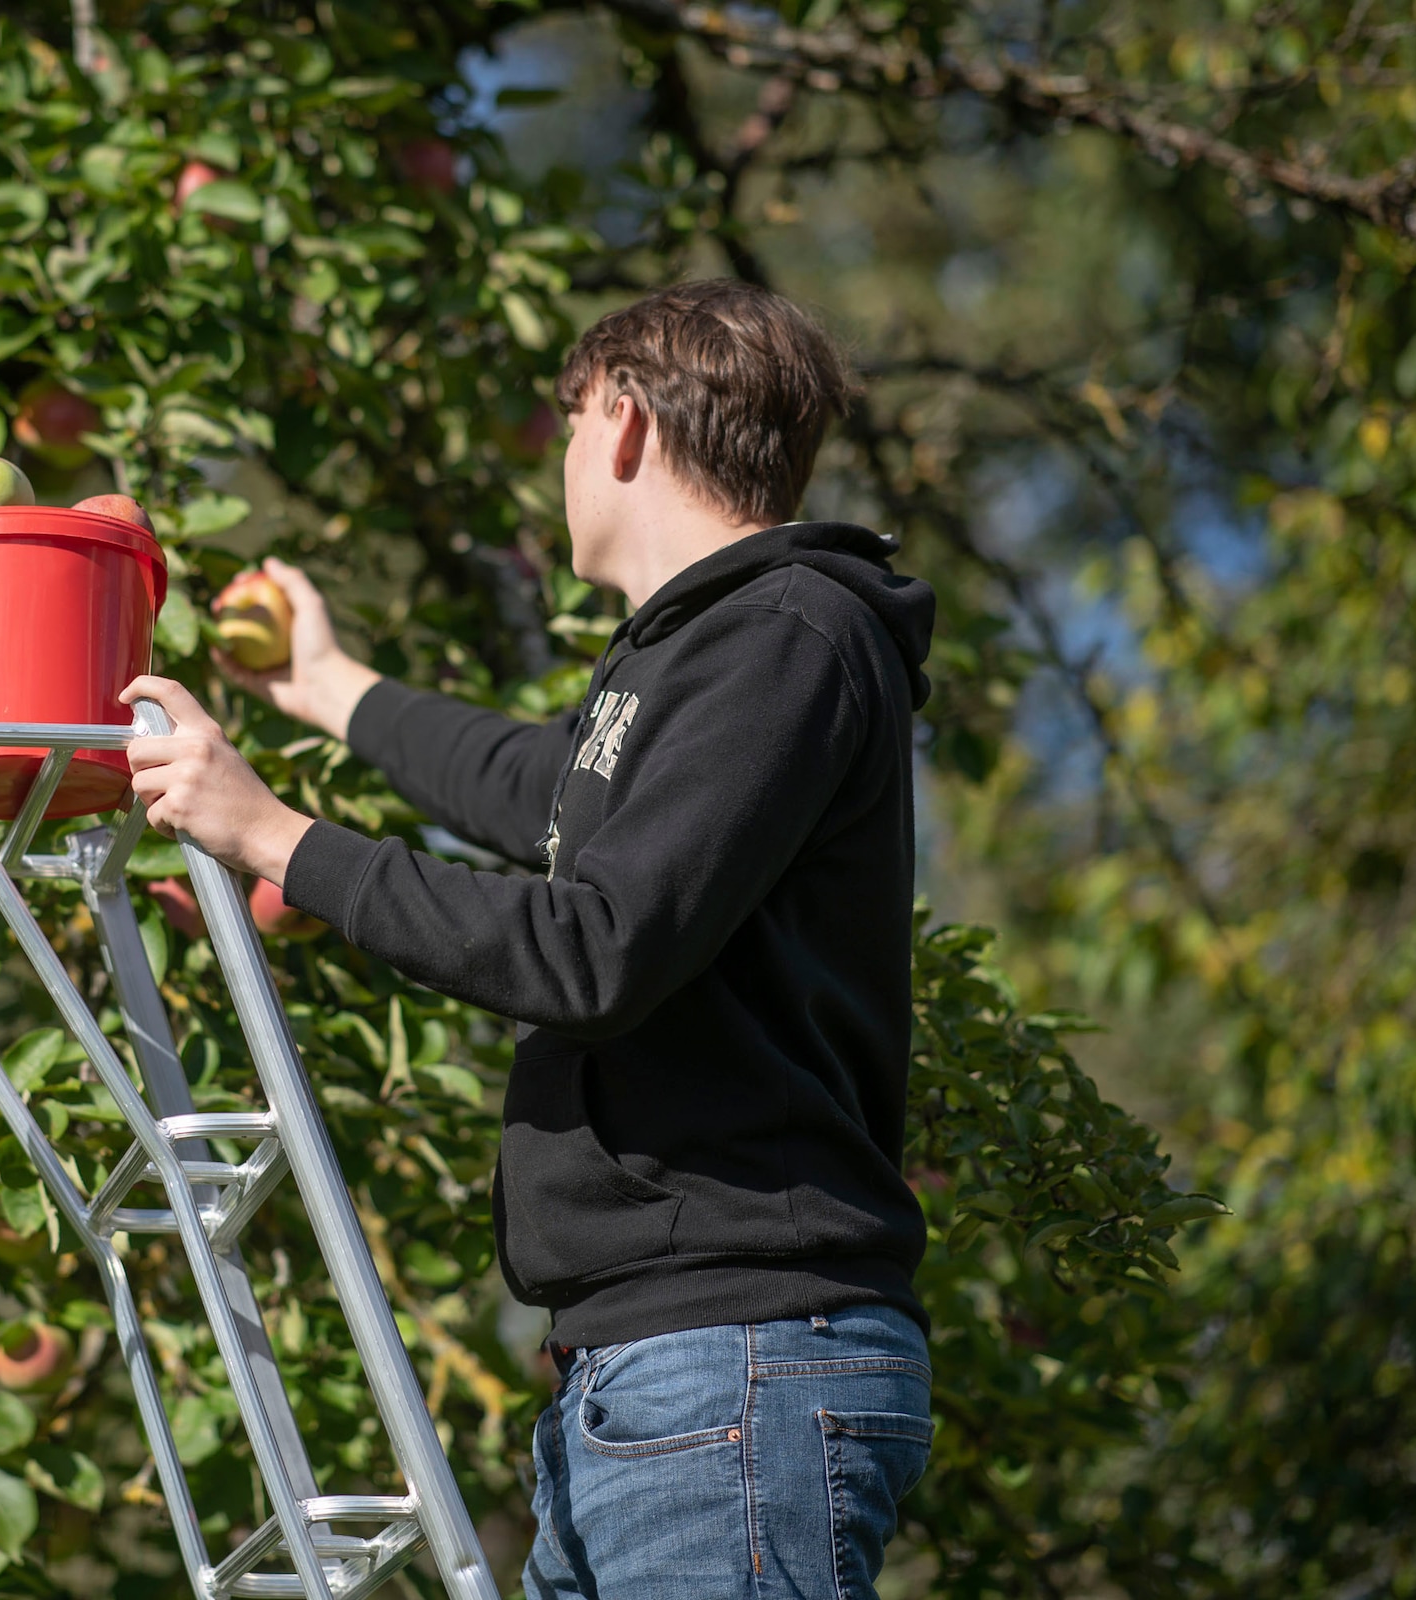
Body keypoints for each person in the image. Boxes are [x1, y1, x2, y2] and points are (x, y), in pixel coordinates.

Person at [120, 278, 938, 1598]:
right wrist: (326, 687)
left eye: (568, 425)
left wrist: (273, 837)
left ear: (624, 419)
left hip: (734, 1362)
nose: (560, 462)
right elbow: (535, 786)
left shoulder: (787, 634)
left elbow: (592, 948)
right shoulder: (700, 655)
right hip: (655, 1373)